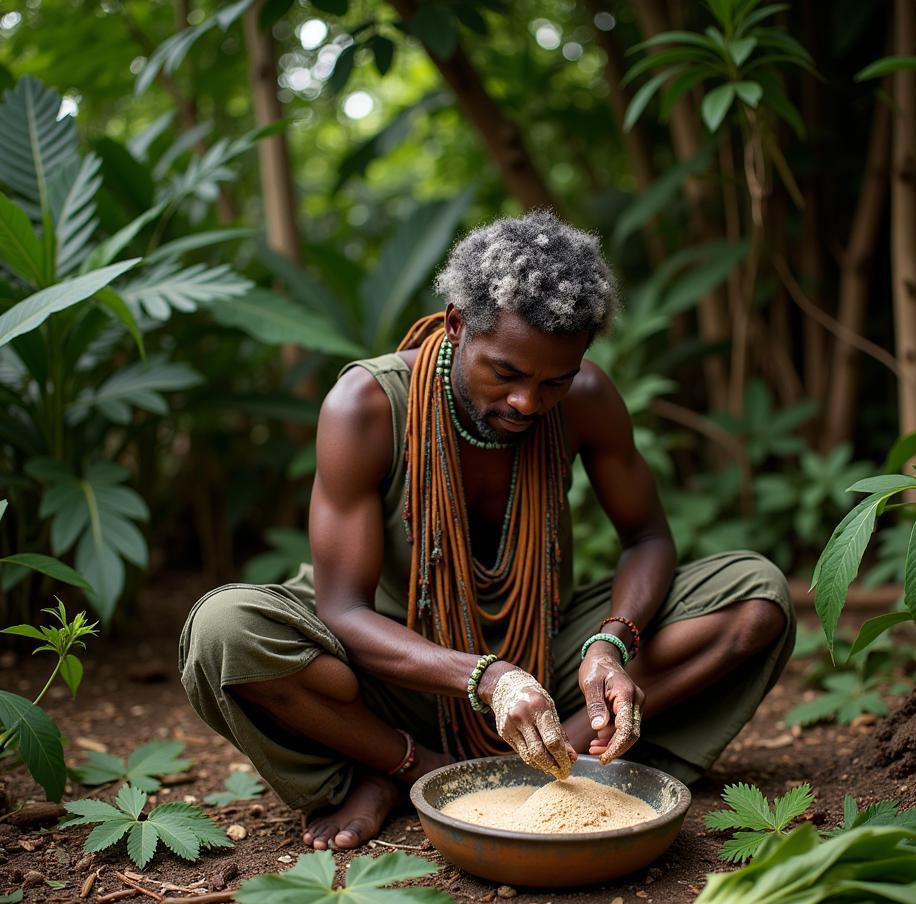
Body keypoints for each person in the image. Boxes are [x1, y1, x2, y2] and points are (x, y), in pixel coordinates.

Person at [179, 211, 795, 851]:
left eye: (553, 380)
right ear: (455, 325)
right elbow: (343, 608)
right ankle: (414, 771)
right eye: (506, 372)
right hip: (385, 675)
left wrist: (610, 644)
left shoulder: (586, 400)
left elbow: (647, 538)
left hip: (542, 658)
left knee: (756, 599)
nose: (528, 402)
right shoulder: (364, 407)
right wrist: (489, 677)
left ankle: (557, 768)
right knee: (225, 632)